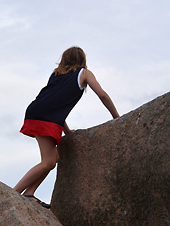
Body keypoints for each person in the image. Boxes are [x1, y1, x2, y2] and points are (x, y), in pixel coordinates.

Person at [14, 46, 120, 208]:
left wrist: (68, 131)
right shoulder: (84, 73)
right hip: (44, 115)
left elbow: (55, 105)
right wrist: (116, 117)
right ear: (82, 60)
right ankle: (14, 194)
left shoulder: (56, 74)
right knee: (48, 162)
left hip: (38, 111)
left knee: (53, 159)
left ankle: (29, 193)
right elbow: (102, 94)